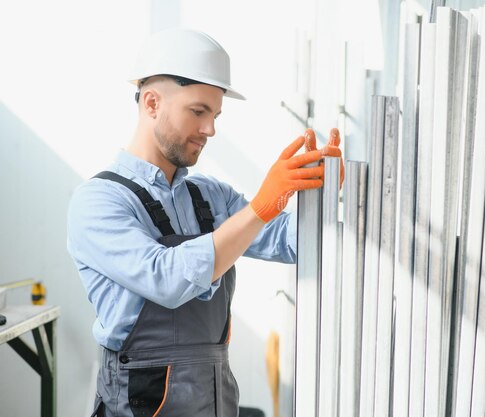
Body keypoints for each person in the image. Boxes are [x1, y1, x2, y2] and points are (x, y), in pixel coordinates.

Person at [66, 28, 343, 417]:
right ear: (151, 103)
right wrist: (261, 206)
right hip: (141, 404)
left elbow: (289, 241)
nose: (210, 130)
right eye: (198, 111)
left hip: (214, 398)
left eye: (214, 115)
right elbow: (167, 279)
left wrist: (322, 199)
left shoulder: (209, 196)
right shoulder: (99, 202)